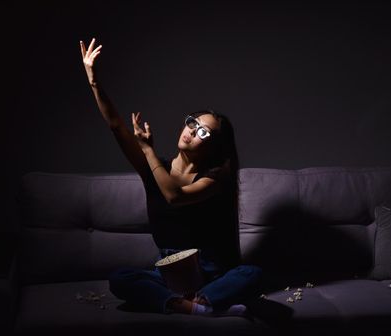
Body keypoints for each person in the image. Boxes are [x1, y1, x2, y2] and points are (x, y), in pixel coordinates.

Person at [80, 38, 262, 316]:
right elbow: (117, 126)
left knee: (252, 273)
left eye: (204, 132)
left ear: (214, 146)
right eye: (193, 123)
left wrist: (148, 151)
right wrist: (93, 80)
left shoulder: (215, 178)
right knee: (120, 279)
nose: (191, 131)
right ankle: (196, 305)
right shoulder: (155, 167)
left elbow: (174, 197)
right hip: (170, 272)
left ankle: (195, 301)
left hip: (211, 271)